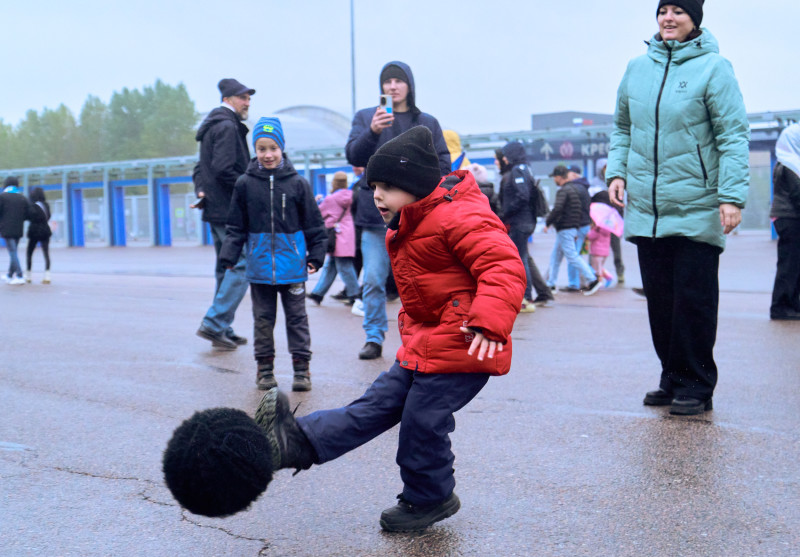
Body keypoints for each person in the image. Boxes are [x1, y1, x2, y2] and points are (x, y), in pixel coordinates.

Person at [255, 126, 526, 531]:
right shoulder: (411, 220)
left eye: (387, 186)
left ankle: (430, 499)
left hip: (466, 345)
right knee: (377, 404)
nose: (377, 195)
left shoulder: (459, 214)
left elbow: (503, 266)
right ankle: (295, 442)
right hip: (426, 346)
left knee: (422, 420)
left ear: (415, 184)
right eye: (373, 186)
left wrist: (489, 322)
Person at [607, 0, 750, 415]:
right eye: (663, 10)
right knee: (661, 300)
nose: (668, 18)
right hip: (648, 208)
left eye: (678, 11)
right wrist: (617, 173)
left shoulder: (715, 68)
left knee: (693, 300)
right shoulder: (637, 68)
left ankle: (697, 384)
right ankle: (671, 376)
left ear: (694, 19)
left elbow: (733, 136)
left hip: (697, 203)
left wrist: (730, 196)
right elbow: (621, 127)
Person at [346, 61, 451, 360]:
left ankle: (422, 338)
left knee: (421, 280)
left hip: (417, 218)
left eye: (398, 81)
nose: (392, 86)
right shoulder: (367, 117)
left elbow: (443, 164)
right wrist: (371, 132)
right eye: (387, 81)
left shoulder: (426, 122)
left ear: (409, 85)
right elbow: (353, 154)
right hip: (374, 215)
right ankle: (374, 337)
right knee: (374, 280)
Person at [219, 117, 327, 392]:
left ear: (282, 148)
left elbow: (314, 224)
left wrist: (316, 255)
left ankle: (302, 370)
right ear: (255, 150)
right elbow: (236, 225)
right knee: (263, 321)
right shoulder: (244, 184)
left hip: (292, 267)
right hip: (259, 268)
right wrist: (229, 256)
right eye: (261, 148)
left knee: (297, 320)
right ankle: (264, 371)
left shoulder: (298, 184)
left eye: (273, 148)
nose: (267, 154)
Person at [193, 78, 255, 351]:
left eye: (249, 98)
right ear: (229, 99)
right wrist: (250, 187)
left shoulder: (212, 126)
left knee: (225, 266)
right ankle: (215, 322)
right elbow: (223, 169)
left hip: (216, 209)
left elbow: (201, 169)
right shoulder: (228, 126)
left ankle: (223, 327)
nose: (247, 103)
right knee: (242, 265)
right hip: (229, 209)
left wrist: (202, 189)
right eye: (243, 98)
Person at [496, 142, 555, 311]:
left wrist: (506, 211)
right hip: (526, 221)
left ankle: (526, 298)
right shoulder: (525, 168)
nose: (504, 158)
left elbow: (523, 195)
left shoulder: (517, 170)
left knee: (520, 260)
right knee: (525, 258)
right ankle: (541, 293)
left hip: (520, 221)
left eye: (506, 154)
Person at [544, 165, 602, 296]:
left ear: (559, 177)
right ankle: (551, 284)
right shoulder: (577, 189)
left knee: (572, 256)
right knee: (558, 256)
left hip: (566, 228)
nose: (554, 180)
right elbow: (577, 211)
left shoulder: (565, 191)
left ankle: (592, 279)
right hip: (573, 227)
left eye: (554, 177)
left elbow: (558, 209)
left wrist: (548, 222)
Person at [307, 171, 360, 305]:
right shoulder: (351, 196)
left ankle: (356, 295)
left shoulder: (331, 199)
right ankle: (317, 294)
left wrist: (315, 201)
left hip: (336, 235)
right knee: (332, 266)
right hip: (348, 233)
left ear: (334, 183)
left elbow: (318, 214)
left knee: (344, 266)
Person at [769, 123, 800, 320]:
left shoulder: (792, 163)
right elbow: (798, 194)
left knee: (794, 265)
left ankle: (792, 304)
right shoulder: (789, 165)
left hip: (791, 219)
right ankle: (780, 307)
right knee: (789, 265)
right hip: (790, 219)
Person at [591, 159, 626, 283]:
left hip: (612, 223)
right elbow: (592, 203)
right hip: (599, 224)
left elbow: (620, 203)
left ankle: (620, 272)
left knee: (616, 250)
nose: (606, 170)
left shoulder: (615, 183)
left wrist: (619, 220)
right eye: (604, 168)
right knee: (596, 251)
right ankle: (595, 275)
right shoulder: (594, 184)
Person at [562, 165, 593, 291]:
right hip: (583, 224)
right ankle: (588, 278)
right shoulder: (583, 187)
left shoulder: (576, 188)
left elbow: (575, 209)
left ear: (574, 175)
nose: (566, 176)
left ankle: (578, 283)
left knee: (573, 256)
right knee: (575, 254)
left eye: (568, 173)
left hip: (578, 226)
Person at [0, 177, 30, 285]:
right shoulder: (22, 197)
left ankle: (19, 275)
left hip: (6, 228)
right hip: (18, 228)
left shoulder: (2, 197)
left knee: (12, 252)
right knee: (14, 252)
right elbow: (28, 213)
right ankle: (9, 275)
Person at [25, 187, 52, 284]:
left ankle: (28, 275)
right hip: (45, 230)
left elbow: (28, 217)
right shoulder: (46, 205)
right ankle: (47, 275)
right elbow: (49, 216)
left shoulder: (32, 206)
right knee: (46, 253)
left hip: (34, 230)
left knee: (29, 253)